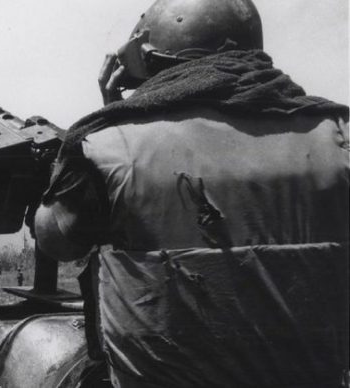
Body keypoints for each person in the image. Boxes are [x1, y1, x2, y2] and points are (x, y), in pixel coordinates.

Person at [34, 0, 349, 387]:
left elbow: (57, 241)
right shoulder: (340, 136)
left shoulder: (106, 147)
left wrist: (89, 144)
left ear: (145, 62)